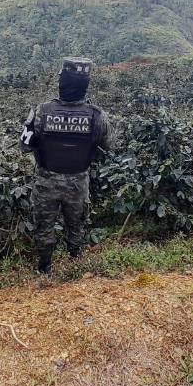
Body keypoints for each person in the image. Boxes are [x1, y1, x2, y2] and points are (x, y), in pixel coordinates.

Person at [20, 57, 113, 274]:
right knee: (77, 226)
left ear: (62, 83)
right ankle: (75, 268)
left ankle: (44, 270)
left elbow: (24, 146)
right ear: (85, 85)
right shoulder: (96, 115)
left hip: (46, 182)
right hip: (78, 183)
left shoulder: (42, 111)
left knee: (44, 228)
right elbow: (110, 145)